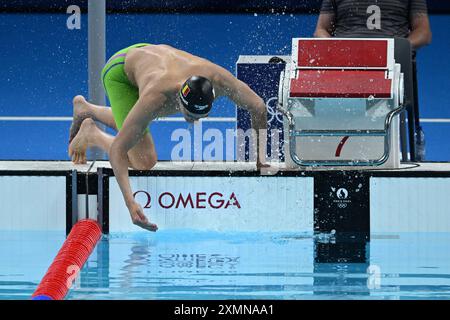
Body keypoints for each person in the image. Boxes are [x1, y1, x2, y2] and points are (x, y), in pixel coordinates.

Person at [68, 43, 268, 232]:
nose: (192, 122)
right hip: (120, 72)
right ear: (180, 100)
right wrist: (130, 203)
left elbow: (258, 106)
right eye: (189, 115)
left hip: (149, 57)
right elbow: (118, 150)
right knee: (144, 160)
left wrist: (260, 160)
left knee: (134, 124)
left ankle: (86, 110)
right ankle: (91, 132)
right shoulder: (157, 96)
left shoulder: (220, 80)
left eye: (199, 116)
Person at [314, 0, 432, 160]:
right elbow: (320, 30)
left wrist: (395, 49)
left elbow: (423, 33)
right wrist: (337, 49)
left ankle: (412, 137)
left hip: (392, 65)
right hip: (347, 64)